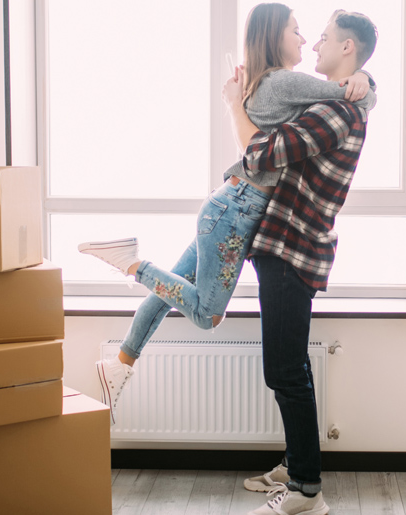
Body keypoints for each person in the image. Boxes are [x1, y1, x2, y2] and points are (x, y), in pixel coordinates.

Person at [78, 3, 377, 429]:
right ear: (275, 36)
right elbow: (356, 97)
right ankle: (131, 262)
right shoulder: (284, 82)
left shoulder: (266, 83)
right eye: (296, 30)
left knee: (171, 292)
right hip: (237, 212)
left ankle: (120, 364)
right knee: (207, 314)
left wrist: (362, 76)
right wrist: (365, 80)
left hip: (226, 207)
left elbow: (350, 92)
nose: (305, 40)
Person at [224, 9, 378, 515]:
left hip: (293, 250)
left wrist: (236, 111)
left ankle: (307, 491)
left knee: (285, 370)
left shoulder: (338, 113)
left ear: (348, 49)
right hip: (285, 248)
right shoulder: (331, 102)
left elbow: (264, 153)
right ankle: (295, 464)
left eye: (326, 39)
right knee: (289, 367)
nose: (314, 46)